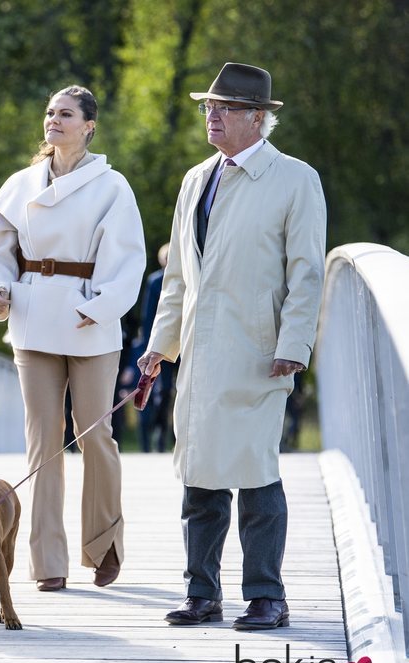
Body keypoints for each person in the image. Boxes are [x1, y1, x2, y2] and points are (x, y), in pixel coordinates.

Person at [138, 63, 326, 630]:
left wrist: (294, 343)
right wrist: (158, 346)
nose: (212, 117)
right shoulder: (197, 178)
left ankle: (267, 595)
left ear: (257, 119)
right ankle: (202, 592)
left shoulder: (295, 179)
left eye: (224, 109)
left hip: (259, 350)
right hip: (199, 351)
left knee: (257, 473)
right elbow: (177, 279)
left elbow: (308, 271)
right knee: (200, 475)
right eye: (208, 108)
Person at [0, 86, 145, 592]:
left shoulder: (112, 187)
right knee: (43, 444)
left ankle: (104, 545)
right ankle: (47, 562)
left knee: (95, 434)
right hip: (30, 318)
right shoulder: (20, 184)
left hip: (89, 319)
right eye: (50, 112)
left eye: (65, 114)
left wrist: (99, 307)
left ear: (89, 126)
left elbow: (129, 259)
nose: (54, 120)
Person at [136, 244, 175, 452]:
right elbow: (148, 316)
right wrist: (151, 347)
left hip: (183, 346)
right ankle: (154, 438)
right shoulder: (155, 281)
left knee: (174, 393)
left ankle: (170, 439)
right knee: (161, 392)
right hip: (162, 346)